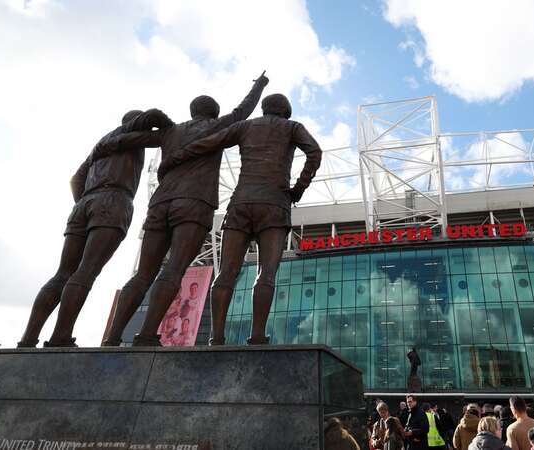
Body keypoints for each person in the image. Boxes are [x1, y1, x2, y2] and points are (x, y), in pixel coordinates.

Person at [100, 72, 269, 347]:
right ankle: (146, 335)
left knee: (143, 273)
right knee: (175, 269)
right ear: (213, 113)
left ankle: (113, 336)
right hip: (194, 202)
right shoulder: (217, 126)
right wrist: (260, 85)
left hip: (160, 202)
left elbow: (133, 138)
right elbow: (243, 110)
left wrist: (106, 144)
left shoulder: (170, 132)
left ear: (192, 111)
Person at [159, 92, 321, 346]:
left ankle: (216, 336)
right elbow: (315, 152)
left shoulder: (245, 127)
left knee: (225, 273)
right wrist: (298, 189)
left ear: (265, 108)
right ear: (285, 110)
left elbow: (208, 143)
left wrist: (175, 158)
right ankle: (257, 335)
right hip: (275, 205)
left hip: (240, 204)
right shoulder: (292, 127)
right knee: (266, 274)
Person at [17, 108, 174, 347]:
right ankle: (61, 335)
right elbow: (152, 115)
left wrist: (86, 200)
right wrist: (172, 129)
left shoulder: (101, 144)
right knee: (86, 272)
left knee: (62, 273)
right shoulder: (129, 134)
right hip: (113, 201)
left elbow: (76, 178)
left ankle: (28, 338)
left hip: (83, 204)